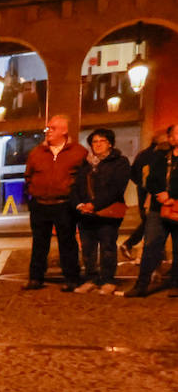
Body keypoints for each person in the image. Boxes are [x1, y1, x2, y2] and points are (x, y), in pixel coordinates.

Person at [23, 115, 89, 291]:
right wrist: (33, 192)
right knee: (39, 242)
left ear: (64, 131)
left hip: (64, 204)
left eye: (52, 128)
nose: (48, 131)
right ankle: (36, 277)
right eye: (48, 128)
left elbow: (84, 178)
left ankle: (72, 277)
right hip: (40, 203)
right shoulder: (37, 152)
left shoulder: (78, 152)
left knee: (67, 242)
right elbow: (28, 175)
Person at [71, 128, 130, 295]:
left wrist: (95, 205)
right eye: (94, 142)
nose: (97, 145)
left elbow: (116, 188)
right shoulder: (85, 164)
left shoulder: (119, 162)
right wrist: (79, 205)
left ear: (110, 144)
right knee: (88, 248)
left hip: (107, 212)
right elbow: (75, 186)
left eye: (101, 141)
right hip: (85, 214)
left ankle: (108, 280)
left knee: (107, 247)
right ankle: (90, 279)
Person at [128, 124, 178, 298]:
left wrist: (173, 196)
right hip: (159, 208)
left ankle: (175, 284)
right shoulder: (160, 158)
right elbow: (149, 180)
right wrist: (160, 194)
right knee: (151, 246)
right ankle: (141, 284)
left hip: (176, 207)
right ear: (170, 138)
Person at [125, 128, 169, 262]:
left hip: (144, 192)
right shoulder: (161, 155)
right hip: (155, 195)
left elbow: (132, 173)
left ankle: (134, 247)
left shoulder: (142, 154)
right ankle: (144, 254)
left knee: (149, 223)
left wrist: (140, 184)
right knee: (153, 225)